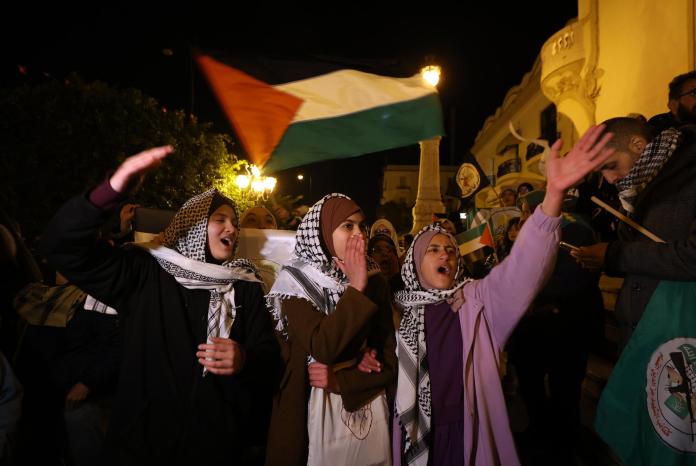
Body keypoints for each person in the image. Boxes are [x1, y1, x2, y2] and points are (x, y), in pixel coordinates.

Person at [389, 125, 615, 466]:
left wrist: (553, 196)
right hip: (414, 432)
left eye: (451, 249)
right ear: (415, 263)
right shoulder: (397, 312)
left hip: (465, 434)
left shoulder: (476, 301)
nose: (445, 255)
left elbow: (522, 269)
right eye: (433, 249)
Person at [39, 146, 279, 465]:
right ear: (193, 225)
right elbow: (61, 246)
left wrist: (244, 359)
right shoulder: (146, 272)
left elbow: (270, 361)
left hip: (216, 448)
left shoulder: (244, 286)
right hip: (142, 447)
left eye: (234, 222)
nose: (232, 229)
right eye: (219, 219)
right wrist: (111, 190)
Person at [265, 193, 397, 466]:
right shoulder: (294, 282)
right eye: (347, 226)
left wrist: (343, 380)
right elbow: (323, 347)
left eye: (362, 226)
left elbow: (388, 359)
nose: (358, 233)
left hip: (360, 409)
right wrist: (355, 289)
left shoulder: (375, 282)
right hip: (303, 413)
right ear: (324, 233)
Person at [572, 117, 696, 347]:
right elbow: (645, 259)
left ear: (638, 145)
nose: (610, 180)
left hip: (682, 335)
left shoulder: (689, 174)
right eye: (601, 173)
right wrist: (606, 258)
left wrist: (614, 254)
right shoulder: (637, 188)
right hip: (646, 335)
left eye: (610, 166)